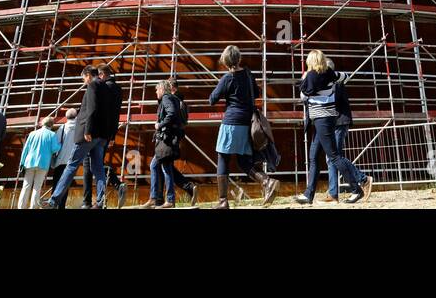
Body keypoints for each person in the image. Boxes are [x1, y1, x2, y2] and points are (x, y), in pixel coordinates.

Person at [294, 50, 370, 205]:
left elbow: (303, 96)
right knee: (314, 157)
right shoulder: (330, 74)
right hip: (327, 118)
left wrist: (304, 78)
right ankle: (309, 194)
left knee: (334, 157)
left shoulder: (311, 76)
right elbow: (345, 77)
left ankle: (357, 188)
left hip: (321, 119)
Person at [209, 45, 279, 208]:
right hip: (246, 124)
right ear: (239, 58)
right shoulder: (248, 74)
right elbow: (256, 93)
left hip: (231, 123)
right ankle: (267, 181)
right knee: (243, 161)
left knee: (223, 158)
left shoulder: (228, 78)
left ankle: (223, 201)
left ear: (225, 61)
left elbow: (212, 99)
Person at [50, 66, 107, 209]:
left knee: (72, 165)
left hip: (88, 135)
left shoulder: (93, 85)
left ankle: (54, 200)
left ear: (88, 75)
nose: (84, 81)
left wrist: (87, 130)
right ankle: (101, 200)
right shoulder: (106, 87)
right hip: (101, 135)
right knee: (98, 168)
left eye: (83, 78)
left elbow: (91, 109)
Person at [147, 79, 196, 207]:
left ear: (162, 89)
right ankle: (156, 198)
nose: (156, 92)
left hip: (166, 140)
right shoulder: (174, 99)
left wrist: (160, 125)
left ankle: (168, 199)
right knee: (156, 166)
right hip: (170, 138)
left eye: (157, 89)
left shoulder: (166, 99)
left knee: (165, 168)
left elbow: (171, 113)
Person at [326, 57, 368, 201]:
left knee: (335, 157)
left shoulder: (335, 81)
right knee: (331, 158)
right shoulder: (333, 81)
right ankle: (333, 193)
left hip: (339, 122)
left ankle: (362, 179)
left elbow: (332, 102)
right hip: (335, 123)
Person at [93, 65, 123, 209]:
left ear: (102, 75)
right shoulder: (117, 88)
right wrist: (112, 135)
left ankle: (99, 200)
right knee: (97, 164)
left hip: (98, 132)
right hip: (108, 132)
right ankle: (115, 186)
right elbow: (115, 115)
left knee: (94, 166)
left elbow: (100, 111)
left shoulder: (105, 88)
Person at [17, 116, 61, 209]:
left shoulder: (32, 133)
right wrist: (59, 144)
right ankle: (33, 207)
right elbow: (54, 149)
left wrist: (21, 163)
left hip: (29, 162)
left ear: (42, 123)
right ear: (52, 125)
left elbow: (25, 149)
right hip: (43, 163)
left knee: (26, 186)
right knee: (37, 187)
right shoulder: (52, 135)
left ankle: (21, 206)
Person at [48, 108, 78, 201]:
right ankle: (62, 206)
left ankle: (53, 204)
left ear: (66, 117)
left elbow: (56, 145)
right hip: (72, 161)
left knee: (56, 184)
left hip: (60, 160)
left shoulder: (62, 128)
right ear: (76, 116)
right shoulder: (80, 128)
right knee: (65, 185)